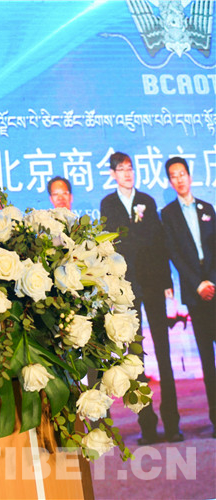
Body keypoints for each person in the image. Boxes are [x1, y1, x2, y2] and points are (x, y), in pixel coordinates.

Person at [100, 151, 181, 445]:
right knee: (135, 359)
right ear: (113, 174)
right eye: (121, 169)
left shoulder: (147, 200)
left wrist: (167, 282)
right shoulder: (108, 204)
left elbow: (159, 242)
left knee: (163, 352)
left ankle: (172, 423)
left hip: (153, 284)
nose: (127, 173)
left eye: (130, 168)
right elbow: (110, 246)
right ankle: (147, 425)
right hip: (127, 289)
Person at [161, 156, 216, 438]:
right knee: (207, 358)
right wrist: (198, 284)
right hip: (195, 295)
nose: (179, 179)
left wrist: (212, 281)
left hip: (215, 287)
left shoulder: (207, 208)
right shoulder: (168, 214)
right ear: (170, 182)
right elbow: (174, 254)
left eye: (182, 173)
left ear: (190, 176)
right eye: (174, 175)